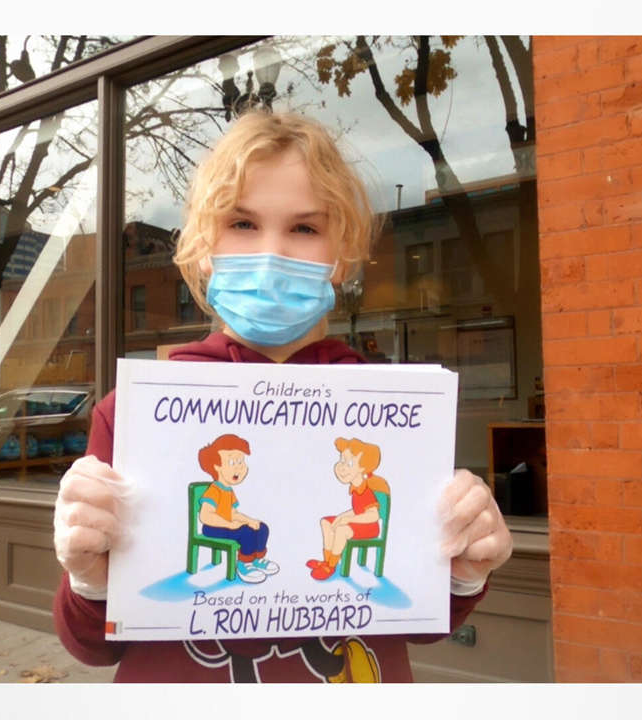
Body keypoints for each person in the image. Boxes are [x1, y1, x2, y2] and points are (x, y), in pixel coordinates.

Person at [52, 110, 512, 683]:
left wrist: (464, 571)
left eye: (305, 229)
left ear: (341, 257)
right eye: (242, 223)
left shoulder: (393, 419)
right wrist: (89, 577)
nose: (273, 253)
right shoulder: (136, 415)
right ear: (203, 246)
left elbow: (418, 621)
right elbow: (93, 647)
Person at [195, 433, 278, 583]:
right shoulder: (214, 490)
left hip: (228, 525)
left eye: (241, 462)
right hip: (213, 528)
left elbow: (233, 512)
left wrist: (249, 520)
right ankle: (244, 564)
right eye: (233, 462)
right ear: (217, 466)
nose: (239, 467)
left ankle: (257, 559)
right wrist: (228, 524)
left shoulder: (228, 491)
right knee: (245, 532)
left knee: (261, 527)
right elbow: (205, 516)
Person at [309, 437, 390, 581]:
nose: (342, 467)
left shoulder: (366, 491)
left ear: (363, 468)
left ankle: (331, 565)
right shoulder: (355, 489)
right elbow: (358, 509)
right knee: (326, 522)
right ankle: (327, 559)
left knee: (342, 530)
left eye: (349, 463)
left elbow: (373, 515)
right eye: (342, 460)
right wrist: (342, 517)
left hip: (369, 527)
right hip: (358, 523)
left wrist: (347, 520)